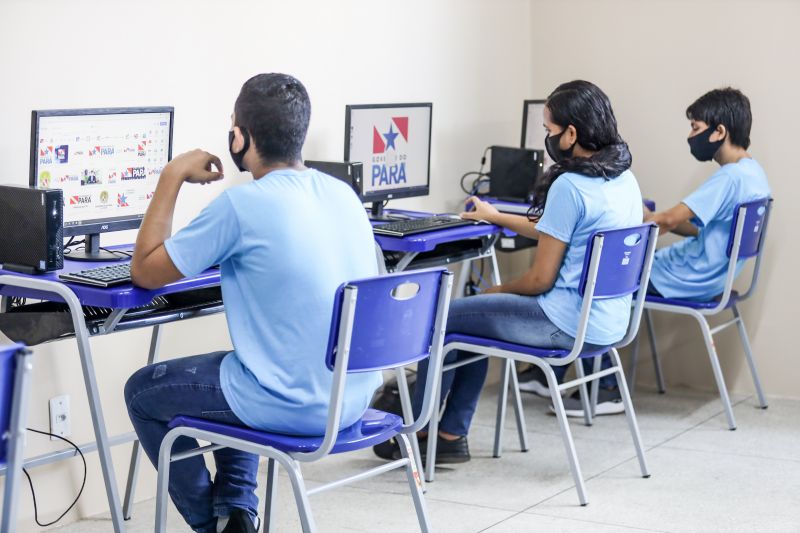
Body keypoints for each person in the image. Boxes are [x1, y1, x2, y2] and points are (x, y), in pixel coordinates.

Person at [124, 73, 382, 533]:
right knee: (234, 369)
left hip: (295, 406)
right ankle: (236, 514)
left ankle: (209, 525)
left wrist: (172, 174)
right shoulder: (343, 195)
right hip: (352, 397)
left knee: (143, 392)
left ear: (239, 138)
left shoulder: (241, 206)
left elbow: (144, 270)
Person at [375, 80, 642, 464]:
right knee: (468, 328)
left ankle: (416, 429)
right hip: (609, 322)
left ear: (571, 134)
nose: (547, 140)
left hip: (562, 323)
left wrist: (496, 291)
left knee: (441, 318)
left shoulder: (571, 185)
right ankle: (449, 435)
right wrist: (497, 217)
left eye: (549, 130)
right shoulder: (623, 179)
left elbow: (539, 281)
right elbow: (557, 230)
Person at [644, 87, 771, 299]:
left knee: (600, 268)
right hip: (714, 280)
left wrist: (638, 215)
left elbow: (668, 221)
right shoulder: (754, 173)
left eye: (695, 128)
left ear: (719, 132)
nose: (690, 136)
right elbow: (700, 231)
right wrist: (656, 218)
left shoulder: (730, 177)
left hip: (682, 277)